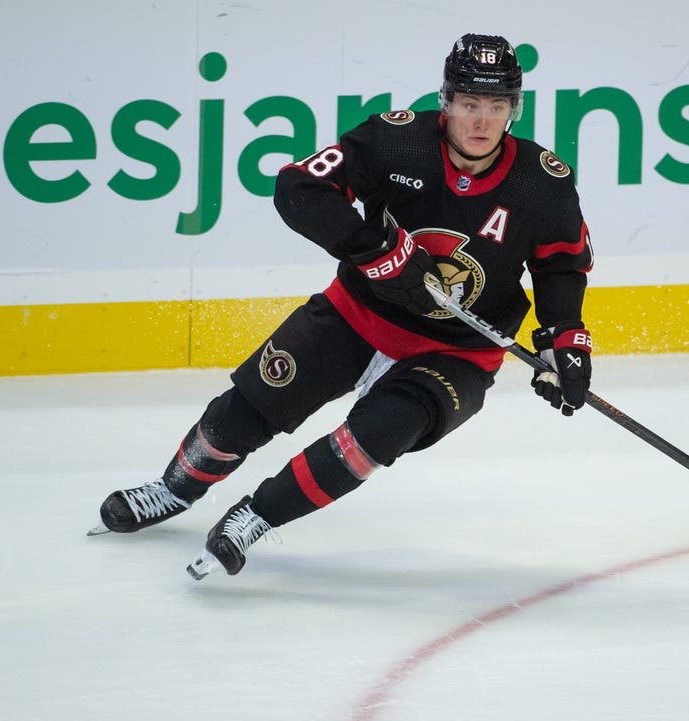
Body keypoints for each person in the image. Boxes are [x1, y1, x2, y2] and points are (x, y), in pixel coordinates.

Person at [90, 33, 595, 580]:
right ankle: (173, 490)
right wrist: (374, 252)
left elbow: (561, 267)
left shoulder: (542, 183)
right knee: (254, 403)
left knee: (377, 434)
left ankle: (256, 516)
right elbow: (298, 187)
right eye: (470, 103)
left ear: (513, 109)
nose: (482, 120)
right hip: (359, 313)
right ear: (446, 101)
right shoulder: (394, 141)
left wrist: (566, 338)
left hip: (459, 352)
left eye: (496, 106)